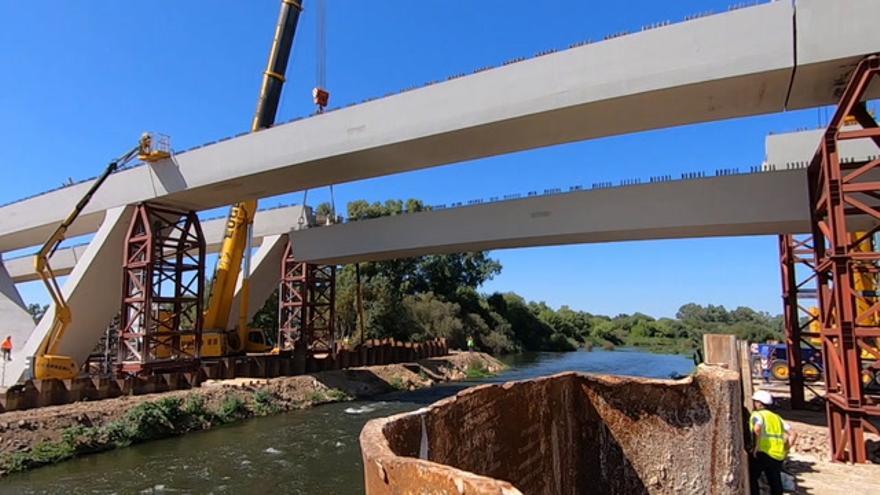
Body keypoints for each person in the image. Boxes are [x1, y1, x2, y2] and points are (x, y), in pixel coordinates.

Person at [749, 390, 797, 495]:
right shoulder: (777, 418)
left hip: (763, 452)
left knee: (752, 478)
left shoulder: (758, 415)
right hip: (777, 455)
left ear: (759, 403)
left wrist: (756, 446)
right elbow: (793, 434)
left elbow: (757, 429)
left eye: (755, 401)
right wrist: (786, 449)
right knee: (775, 481)